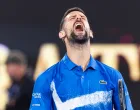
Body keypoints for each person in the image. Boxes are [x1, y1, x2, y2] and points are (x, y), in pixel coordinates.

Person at [30, 7, 133, 110]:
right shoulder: (46, 79)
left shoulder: (113, 76)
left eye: (83, 17)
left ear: (91, 33)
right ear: (62, 33)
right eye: (72, 18)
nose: (78, 18)